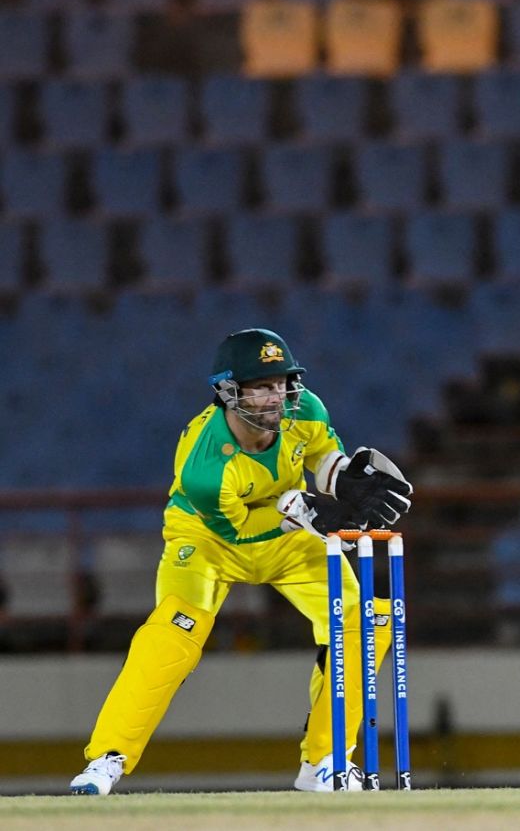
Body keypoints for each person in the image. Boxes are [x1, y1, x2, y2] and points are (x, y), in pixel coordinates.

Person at [69, 328, 413, 795]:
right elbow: (238, 533)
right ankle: (107, 758)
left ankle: (326, 762)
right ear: (230, 393)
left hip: (289, 535)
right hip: (210, 541)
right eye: (262, 386)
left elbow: (322, 457)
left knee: (363, 621)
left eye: (282, 383)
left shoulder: (305, 408)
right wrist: (302, 511)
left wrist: (344, 479)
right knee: (174, 632)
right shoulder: (204, 464)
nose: (278, 397)